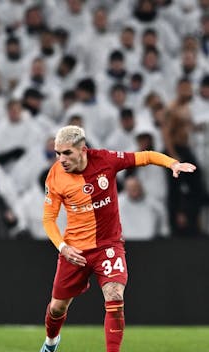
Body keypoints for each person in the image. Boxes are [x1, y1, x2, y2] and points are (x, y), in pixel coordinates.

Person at [39, 125, 196, 352]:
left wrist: (171, 163)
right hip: (74, 251)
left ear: (83, 150)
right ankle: (51, 343)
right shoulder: (55, 176)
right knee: (56, 308)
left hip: (107, 246)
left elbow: (145, 156)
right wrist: (63, 247)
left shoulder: (106, 159)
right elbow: (48, 219)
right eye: (57, 153)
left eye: (67, 153)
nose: (61, 159)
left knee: (114, 296)